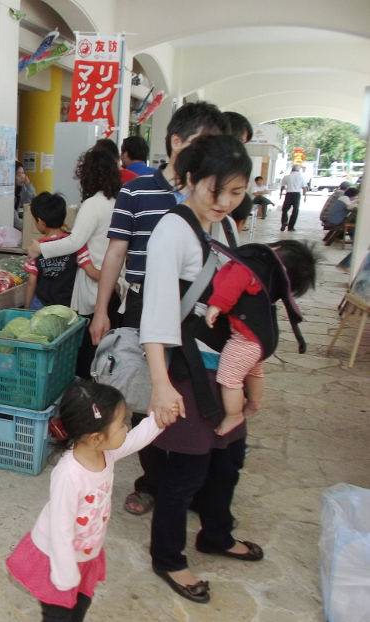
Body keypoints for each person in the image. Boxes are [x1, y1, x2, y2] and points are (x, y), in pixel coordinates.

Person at [87, 101, 230, 516]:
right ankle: (151, 481)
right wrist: (102, 310)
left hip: (199, 313)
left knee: (195, 392)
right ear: (177, 142)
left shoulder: (212, 194)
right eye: (202, 143)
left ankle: (187, 478)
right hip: (141, 304)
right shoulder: (136, 190)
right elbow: (116, 253)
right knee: (147, 391)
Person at [141, 134, 264, 605]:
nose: (225, 202)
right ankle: (168, 557)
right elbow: (156, 313)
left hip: (224, 367)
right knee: (187, 470)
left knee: (228, 460)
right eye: (217, 190)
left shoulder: (226, 226)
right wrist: (160, 383)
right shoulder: (171, 230)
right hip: (188, 371)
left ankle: (216, 534)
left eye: (236, 192)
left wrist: (251, 369)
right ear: (191, 178)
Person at [5, 380, 177, 622]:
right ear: (96, 438)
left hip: (85, 554)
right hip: (57, 559)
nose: (127, 428)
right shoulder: (69, 475)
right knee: (59, 615)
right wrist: (65, 576)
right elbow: (60, 529)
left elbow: (135, 438)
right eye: (121, 424)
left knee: (81, 606)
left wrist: (159, 420)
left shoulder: (105, 453)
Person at [206, 240, 318, 436]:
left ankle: (234, 415)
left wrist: (217, 305)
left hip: (245, 340)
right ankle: (255, 401)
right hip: (264, 340)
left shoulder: (251, 267)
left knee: (229, 376)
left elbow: (232, 284)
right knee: (254, 370)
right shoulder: (270, 280)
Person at [27, 148, 122, 377]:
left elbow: (75, 241)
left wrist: (41, 248)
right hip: (114, 281)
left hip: (94, 285)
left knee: (87, 351)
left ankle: (84, 391)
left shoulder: (93, 204)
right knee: (106, 349)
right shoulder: (118, 202)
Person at [23, 192, 79, 310]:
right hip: (68, 305)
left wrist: (26, 309)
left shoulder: (35, 248)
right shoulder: (74, 243)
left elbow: (31, 283)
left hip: (42, 305)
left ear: (41, 222)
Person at [278, 164, 308, 231]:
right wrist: (305, 196)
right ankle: (291, 227)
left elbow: (282, 186)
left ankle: (284, 221)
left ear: (292, 169)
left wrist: (280, 194)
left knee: (285, 210)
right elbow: (304, 188)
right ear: (298, 170)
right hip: (297, 195)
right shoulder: (301, 177)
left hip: (288, 194)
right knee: (295, 211)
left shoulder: (286, 177)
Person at [15, 162, 37, 230]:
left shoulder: (22, 188)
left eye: (23, 173)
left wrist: (28, 185)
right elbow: (15, 221)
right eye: (19, 175)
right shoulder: (8, 192)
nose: (22, 177)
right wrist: (28, 227)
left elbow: (31, 202)